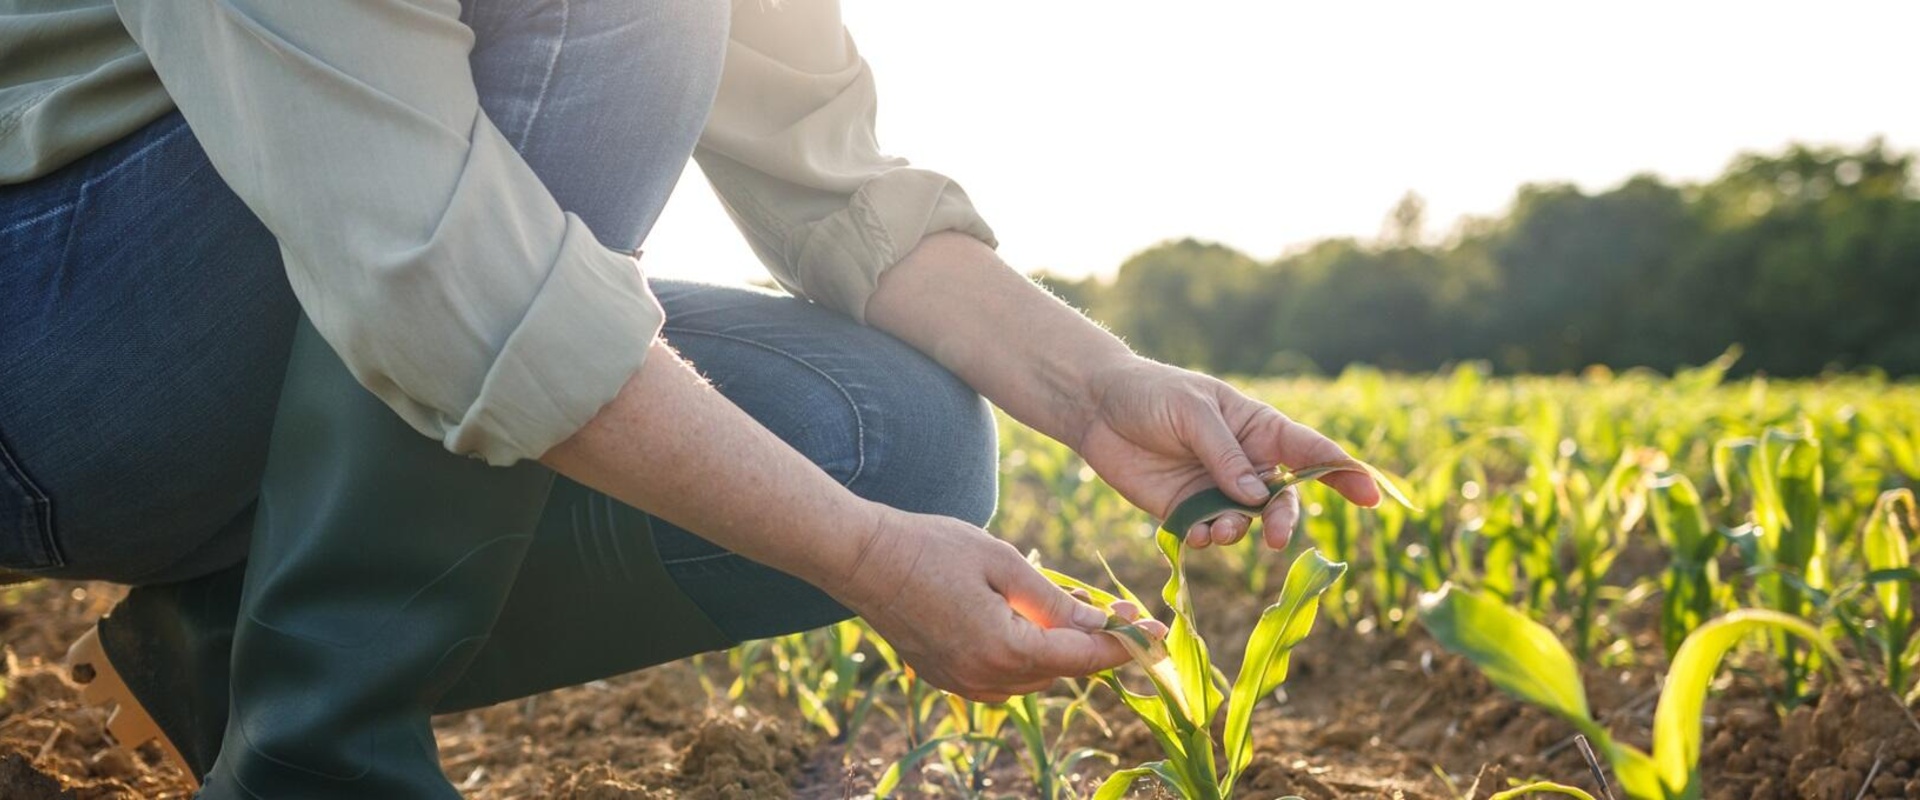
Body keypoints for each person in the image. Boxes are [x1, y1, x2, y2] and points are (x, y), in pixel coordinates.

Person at [0, 1, 1382, 796]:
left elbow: (825, 172)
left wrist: (1100, 391)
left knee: (884, 436)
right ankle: (321, 770)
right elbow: (437, 277)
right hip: (48, 343)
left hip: (292, 275)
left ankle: (223, 664)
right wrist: (856, 558)